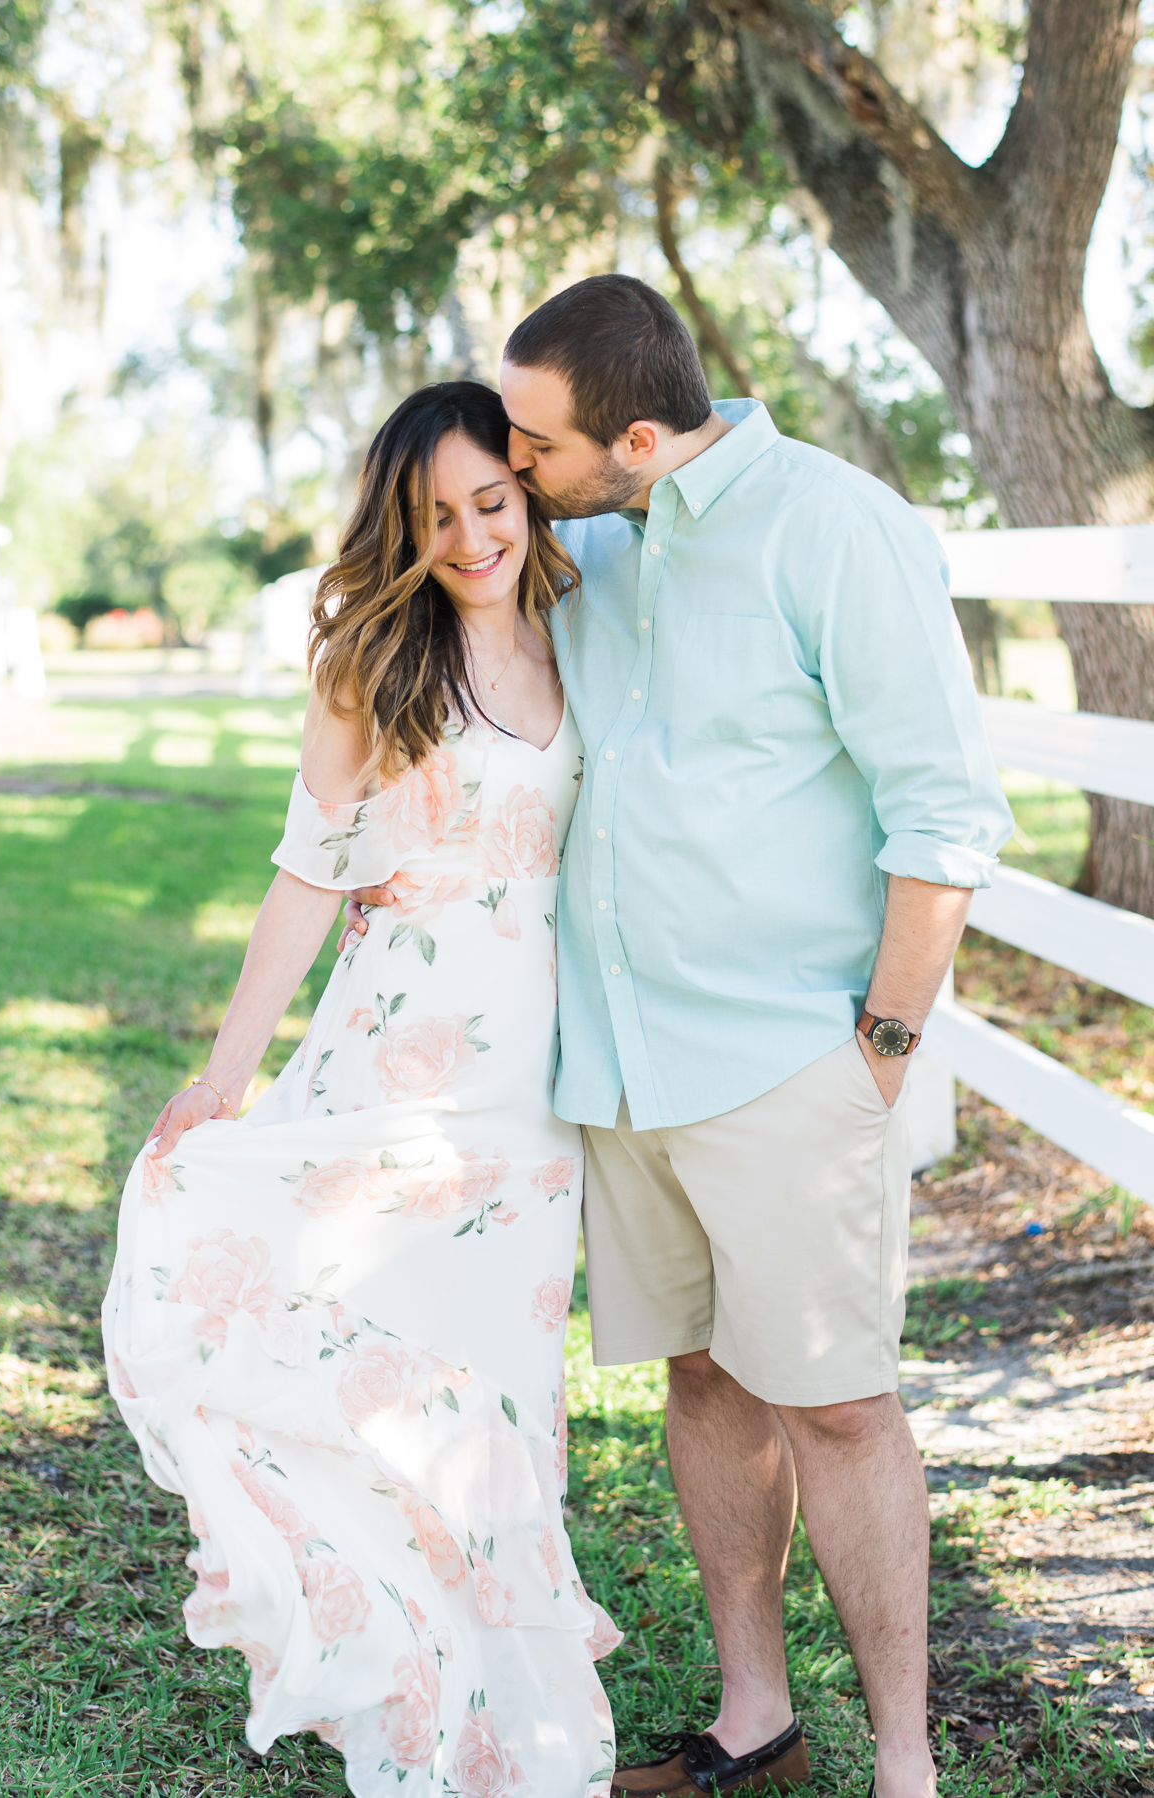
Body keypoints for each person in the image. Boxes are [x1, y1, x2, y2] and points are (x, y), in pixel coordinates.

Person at [346, 278, 1013, 1798]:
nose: (509, 467)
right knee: (704, 1382)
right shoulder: (587, 540)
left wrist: (882, 1051)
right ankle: (751, 1721)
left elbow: (947, 819)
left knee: (838, 1401)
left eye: (535, 442)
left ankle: (907, 1766)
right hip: (624, 1066)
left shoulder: (837, 531)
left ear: (635, 437)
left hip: (791, 1060)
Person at [102, 381, 621, 1798]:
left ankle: (515, 1726)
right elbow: (304, 875)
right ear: (406, 528)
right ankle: (408, 1686)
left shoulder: (590, 631)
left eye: (492, 503)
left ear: (529, 498)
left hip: (528, 1102)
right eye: (438, 514)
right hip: (389, 1061)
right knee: (370, 1360)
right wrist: (226, 1074)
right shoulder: (376, 661)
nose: (469, 536)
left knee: (501, 1394)